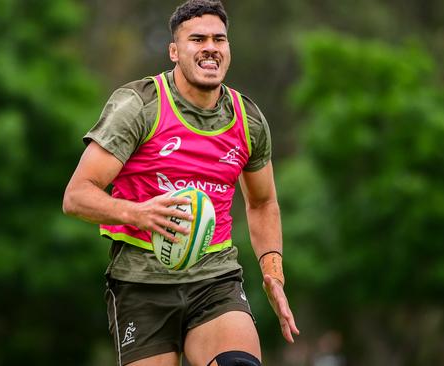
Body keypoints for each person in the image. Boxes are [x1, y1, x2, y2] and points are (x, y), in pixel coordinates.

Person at [62, 1, 299, 365]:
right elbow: (77, 196)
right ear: (174, 51)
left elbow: (262, 202)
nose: (210, 47)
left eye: (219, 39)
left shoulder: (247, 120)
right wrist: (139, 213)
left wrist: (273, 274)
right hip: (140, 285)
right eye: (197, 39)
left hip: (214, 280)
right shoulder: (140, 106)